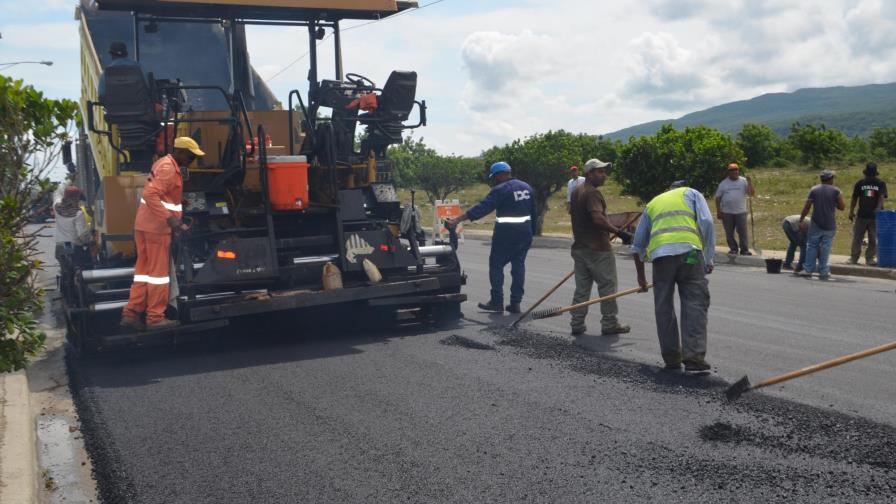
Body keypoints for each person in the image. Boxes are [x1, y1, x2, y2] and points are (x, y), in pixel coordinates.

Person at [120, 137, 204, 331]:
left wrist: (179, 201)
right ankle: (155, 318)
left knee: (143, 274)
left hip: (144, 225)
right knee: (159, 275)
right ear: (181, 152)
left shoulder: (163, 163)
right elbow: (150, 194)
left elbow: (161, 193)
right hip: (156, 229)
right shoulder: (169, 168)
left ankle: (131, 313)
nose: (191, 160)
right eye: (191, 156)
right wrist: (171, 220)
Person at [631, 181, 716, 374]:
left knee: (664, 306)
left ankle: (671, 358)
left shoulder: (653, 203)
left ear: (668, 190)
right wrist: (709, 259)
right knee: (695, 302)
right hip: (690, 254)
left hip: (661, 257)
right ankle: (694, 359)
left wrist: (641, 279)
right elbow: (707, 222)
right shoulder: (692, 193)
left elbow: (637, 246)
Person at [445, 161, 536, 314]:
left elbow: (482, 208)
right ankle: (515, 303)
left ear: (500, 175)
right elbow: (534, 211)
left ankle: (496, 302)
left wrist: (456, 220)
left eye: (494, 177)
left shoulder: (501, 189)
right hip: (525, 233)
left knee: (496, 265)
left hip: (506, 234)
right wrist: (531, 233)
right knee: (518, 267)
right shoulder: (526, 187)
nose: (494, 180)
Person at [568, 159, 632, 336]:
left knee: (582, 289)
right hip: (598, 249)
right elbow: (597, 219)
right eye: (600, 172)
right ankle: (609, 323)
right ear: (589, 174)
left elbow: (586, 217)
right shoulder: (592, 193)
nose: (604, 175)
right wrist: (621, 233)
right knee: (608, 287)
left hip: (580, 248)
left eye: (604, 172)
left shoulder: (576, 192)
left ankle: (577, 323)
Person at [799, 169, 845, 280]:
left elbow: (807, 206)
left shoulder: (814, 190)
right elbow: (842, 207)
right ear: (830, 179)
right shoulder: (836, 191)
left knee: (812, 246)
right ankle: (823, 271)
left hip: (816, 223)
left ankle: (808, 269)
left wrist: (801, 219)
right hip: (829, 224)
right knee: (825, 248)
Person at [849, 162, 887, 266]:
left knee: (873, 238)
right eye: (868, 175)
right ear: (865, 174)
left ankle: (870, 258)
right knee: (857, 237)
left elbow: (881, 196)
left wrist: (879, 208)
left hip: (875, 216)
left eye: (871, 175)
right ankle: (854, 258)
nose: (870, 177)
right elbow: (854, 198)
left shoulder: (880, 183)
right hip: (861, 215)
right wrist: (851, 211)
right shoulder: (860, 183)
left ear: (875, 174)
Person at [714, 162, 755, 255]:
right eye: (732, 170)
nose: (734, 172)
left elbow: (751, 194)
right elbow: (718, 198)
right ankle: (733, 248)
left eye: (736, 170)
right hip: (727, 212)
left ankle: (744, 249)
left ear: (738, 171)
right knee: (729, 232)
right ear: (728, 172)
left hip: (740, 211)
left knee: (742, 231)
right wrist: (718, 211)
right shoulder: (724, 183)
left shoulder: (744, 181)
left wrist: (750, 182)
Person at [53, 185, 92, 265]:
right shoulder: (78, 213)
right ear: (77, 198)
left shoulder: (56, 207)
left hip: (60, 245)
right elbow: (82, 233)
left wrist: (67, 184)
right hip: (74, 246)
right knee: (82, 264)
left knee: (64, 267)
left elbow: (57, 192)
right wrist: (88, 241)